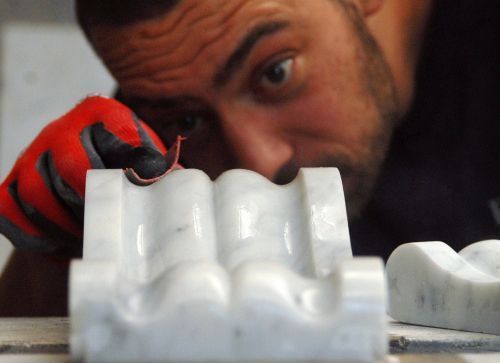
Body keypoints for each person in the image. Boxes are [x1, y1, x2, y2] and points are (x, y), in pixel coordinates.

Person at [0, 0, 497, 316]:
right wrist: (55, 253)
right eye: (190, 121)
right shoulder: (152, 129)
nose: (256, 164)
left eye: (275, 73)